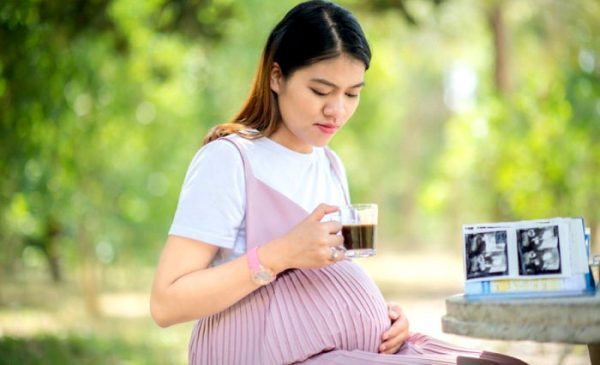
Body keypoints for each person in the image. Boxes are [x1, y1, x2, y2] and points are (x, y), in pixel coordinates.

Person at [150, 1, 528, 364]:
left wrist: (387, 318)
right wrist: (279, 254)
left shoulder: (330, 165)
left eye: (352, 94)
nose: (338, 110)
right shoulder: (231, 160)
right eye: (320, 91)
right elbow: (166, 303)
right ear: (276, 77)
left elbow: (331, 284)